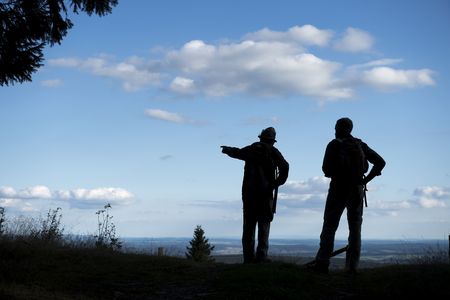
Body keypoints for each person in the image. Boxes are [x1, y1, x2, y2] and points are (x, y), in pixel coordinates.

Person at [311, 117, 386, 274]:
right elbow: (380, 162)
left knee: (330, 226)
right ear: (350, 129)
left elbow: (326, 171)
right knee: (355, 229)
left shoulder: (334, 144)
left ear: (339, 128)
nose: (334, 130)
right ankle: (352, 267)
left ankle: (322, 264)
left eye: (336, 127)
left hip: (338, 188)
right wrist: (366, 180)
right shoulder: (360, 145)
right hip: (357, 189)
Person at [221, 127, 289, 263]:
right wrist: (276, 183)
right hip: (265, 194)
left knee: (249, 226)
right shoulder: (273, 152)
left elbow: (237, 153)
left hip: (249, 194)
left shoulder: (251, 149)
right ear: (272, 141)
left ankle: (248, 258)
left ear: (261, 138)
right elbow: (285, 166)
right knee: (264, 225)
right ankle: (261, 256)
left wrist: (227, 149)